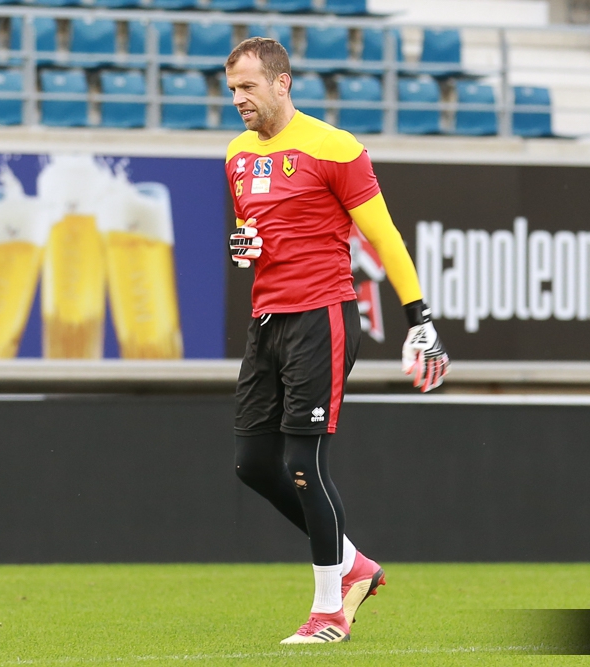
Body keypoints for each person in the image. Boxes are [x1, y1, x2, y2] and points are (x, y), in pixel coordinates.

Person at [223, 37, 450, 643]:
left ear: (282, 83)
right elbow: (252, 231)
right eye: (232, 89)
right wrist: (246, 246)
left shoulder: (336, 147)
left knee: (303, 462)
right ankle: (356, 565)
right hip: (267, 319)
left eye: (247, 86)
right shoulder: (237, 153)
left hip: (320, 317)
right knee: (252, 464)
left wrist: (420, 319)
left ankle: (329, 611)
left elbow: (385, 237)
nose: (238, 99)